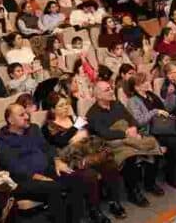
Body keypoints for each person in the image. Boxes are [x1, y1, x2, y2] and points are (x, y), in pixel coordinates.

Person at [0, 104, 90, 223]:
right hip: (23, 180)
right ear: (10, 120)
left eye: (26, 113)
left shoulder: (33, 129)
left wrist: (57, 161)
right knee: (55, 188)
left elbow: (47, 148)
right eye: (21, 115)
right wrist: (35, 176)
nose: (26, 116)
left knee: (75, 178)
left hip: (46, 170)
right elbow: (11, 165)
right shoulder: (1, 140)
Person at [41, 93, 125, 221]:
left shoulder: (74, 119)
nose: (66, 107)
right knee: (89, 175)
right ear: (52, 109)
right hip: (70, 160)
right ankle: (94, 209)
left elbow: (87, 134)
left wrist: (76, 135)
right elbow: (60, 142)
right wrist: (75, 129)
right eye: (61, 106)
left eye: (67, 104)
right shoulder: (48, 126)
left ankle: (114, 202)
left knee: (110, 165)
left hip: (88, 153)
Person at [86, 81, 164, 208]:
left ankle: (150, 183)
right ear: (98, 95)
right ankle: (133, 192)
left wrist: (133, 127)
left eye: (111, 88)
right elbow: (104, 133)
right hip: (112, 143)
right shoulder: (92, 113)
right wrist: (126, 134)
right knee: (130, 156)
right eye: (107, 90)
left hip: (129, 135)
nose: (112, 90)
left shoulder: (117, 104)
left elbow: (130, 118)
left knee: (153, 145)